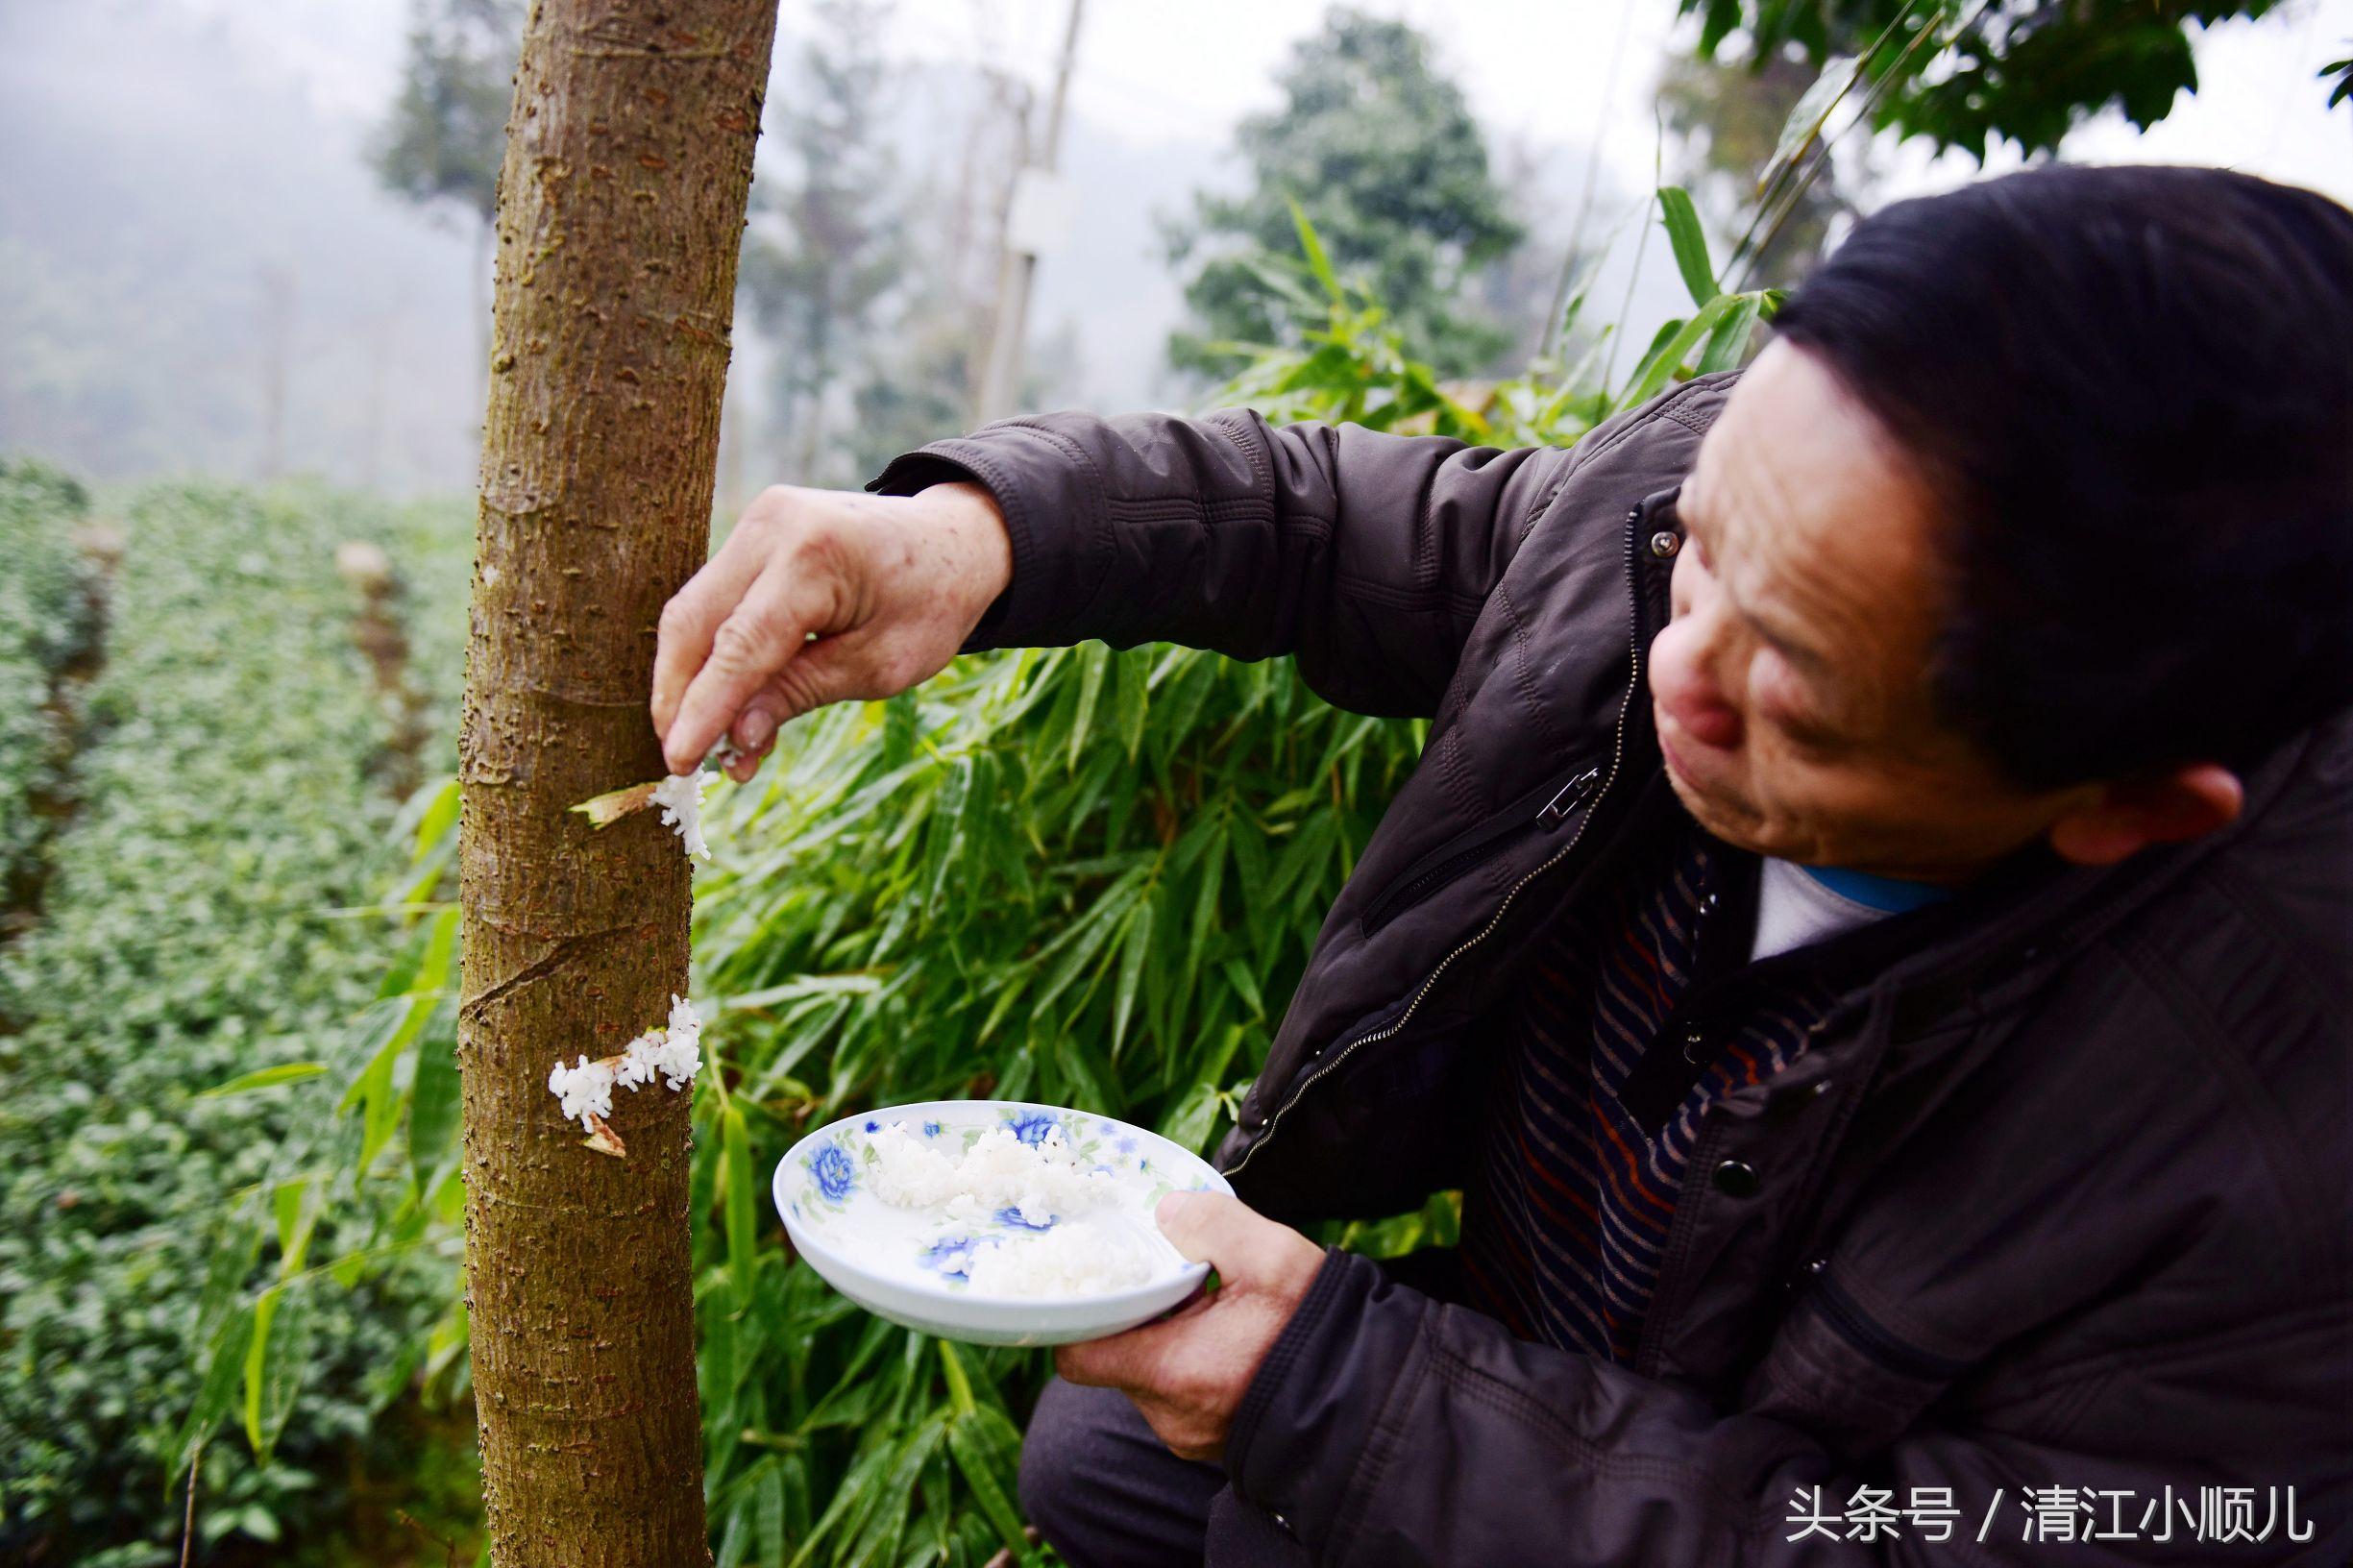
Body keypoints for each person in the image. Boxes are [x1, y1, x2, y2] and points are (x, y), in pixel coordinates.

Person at [650, 165, 2353, 1566]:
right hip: (1567, 1338)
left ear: (2131, 806)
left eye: (1798, 698)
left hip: (1753, 1468)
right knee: (1103, 1453)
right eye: (1691, 561)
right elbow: (1335, 523)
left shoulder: (2281, 1145)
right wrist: (973, 536)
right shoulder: (1733, 521)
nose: (1670, 667)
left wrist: (1334, 1393)